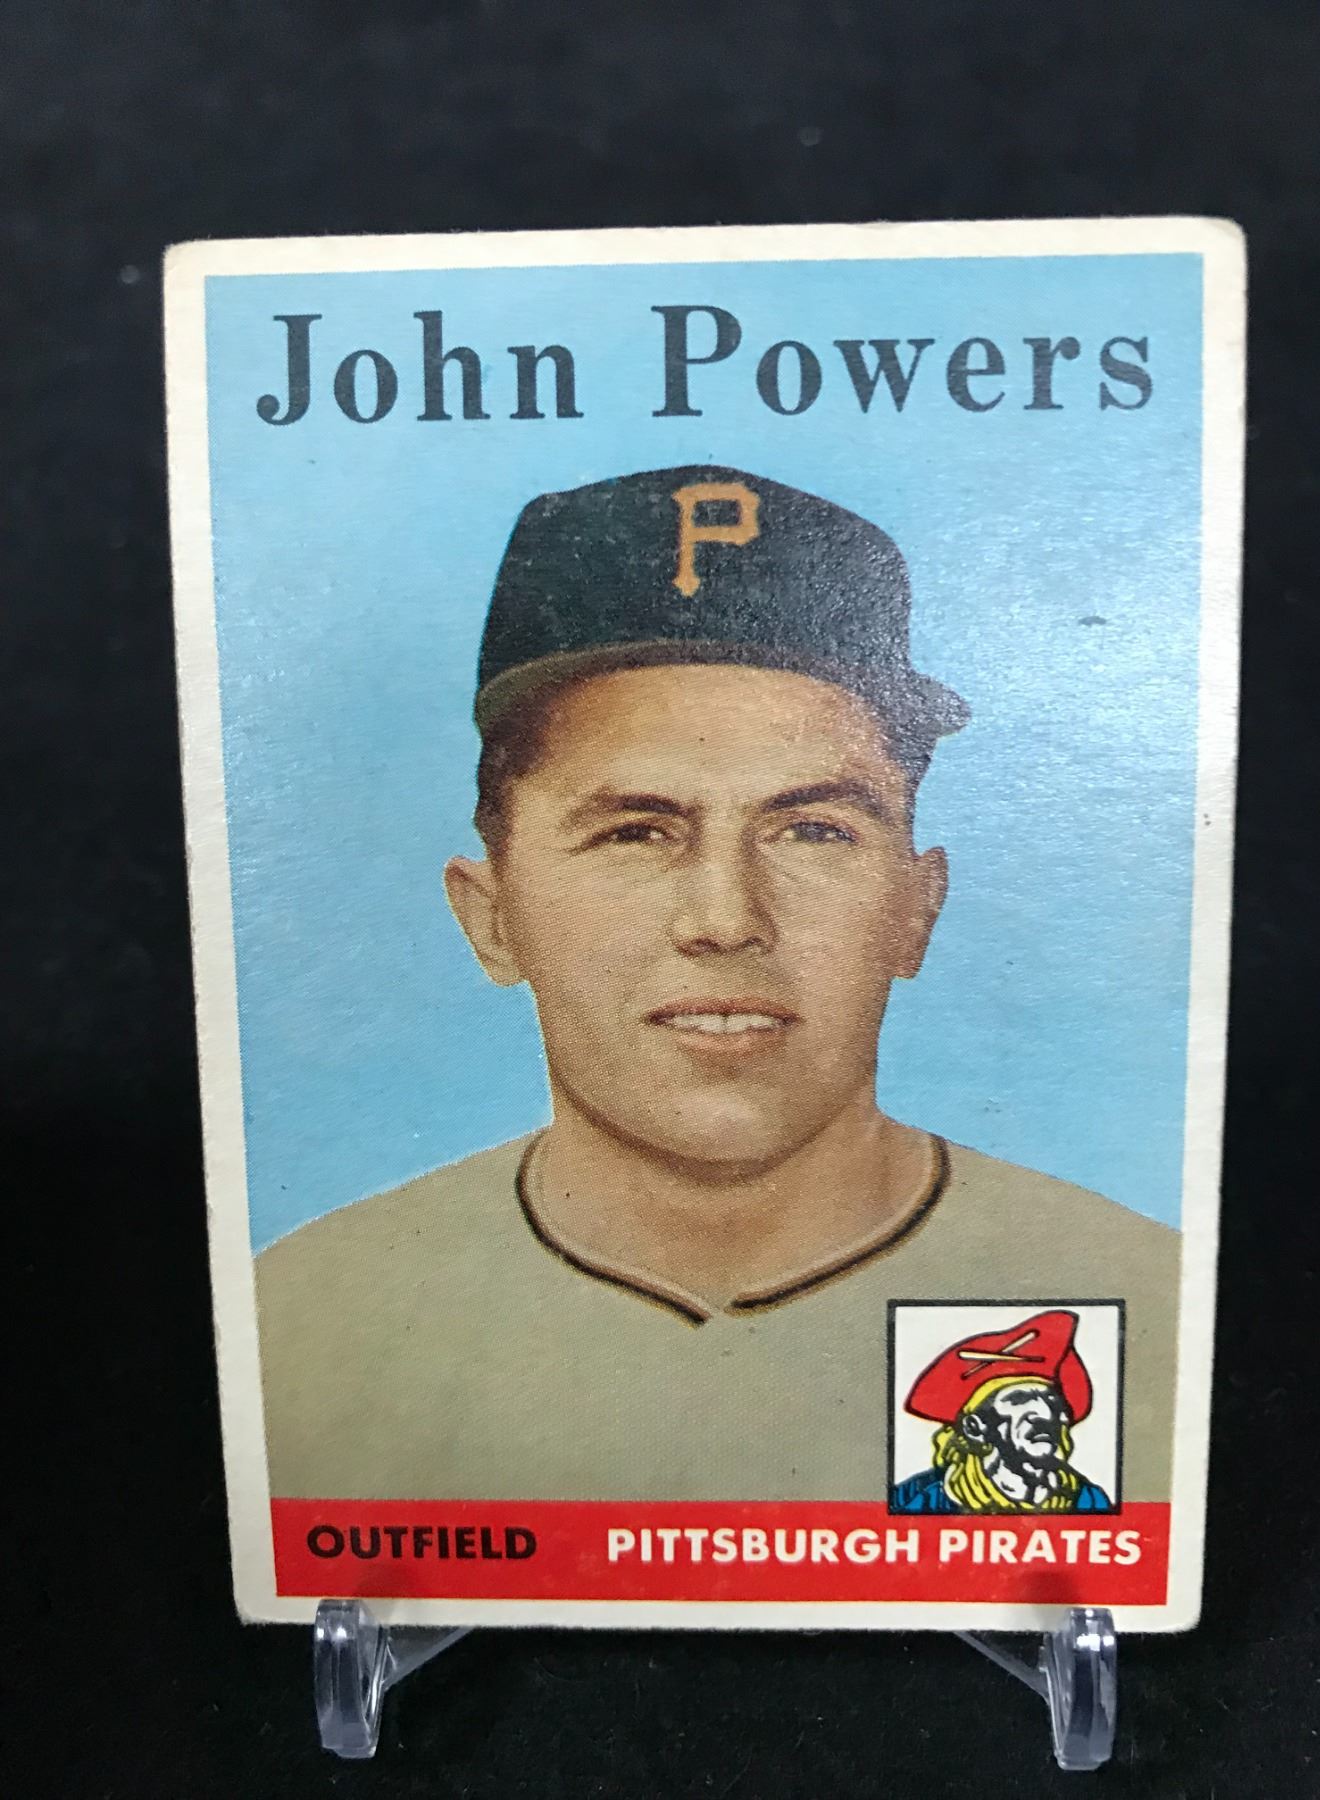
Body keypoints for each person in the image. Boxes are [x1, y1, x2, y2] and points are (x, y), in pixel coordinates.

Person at [256, 466, 1180, 1504]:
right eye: (636, 832)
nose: (726, 919)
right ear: (491, 915)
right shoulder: (294, 1320)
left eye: (812, 830)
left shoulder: (1150, 1301)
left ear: (916, 911)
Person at [892, 1310, 1113, 1513]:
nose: (1045, 1414)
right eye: (1019, 1399)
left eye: (1051, 1400)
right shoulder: (916, 1500)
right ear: (975, 1428)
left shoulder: (1088, 1500)